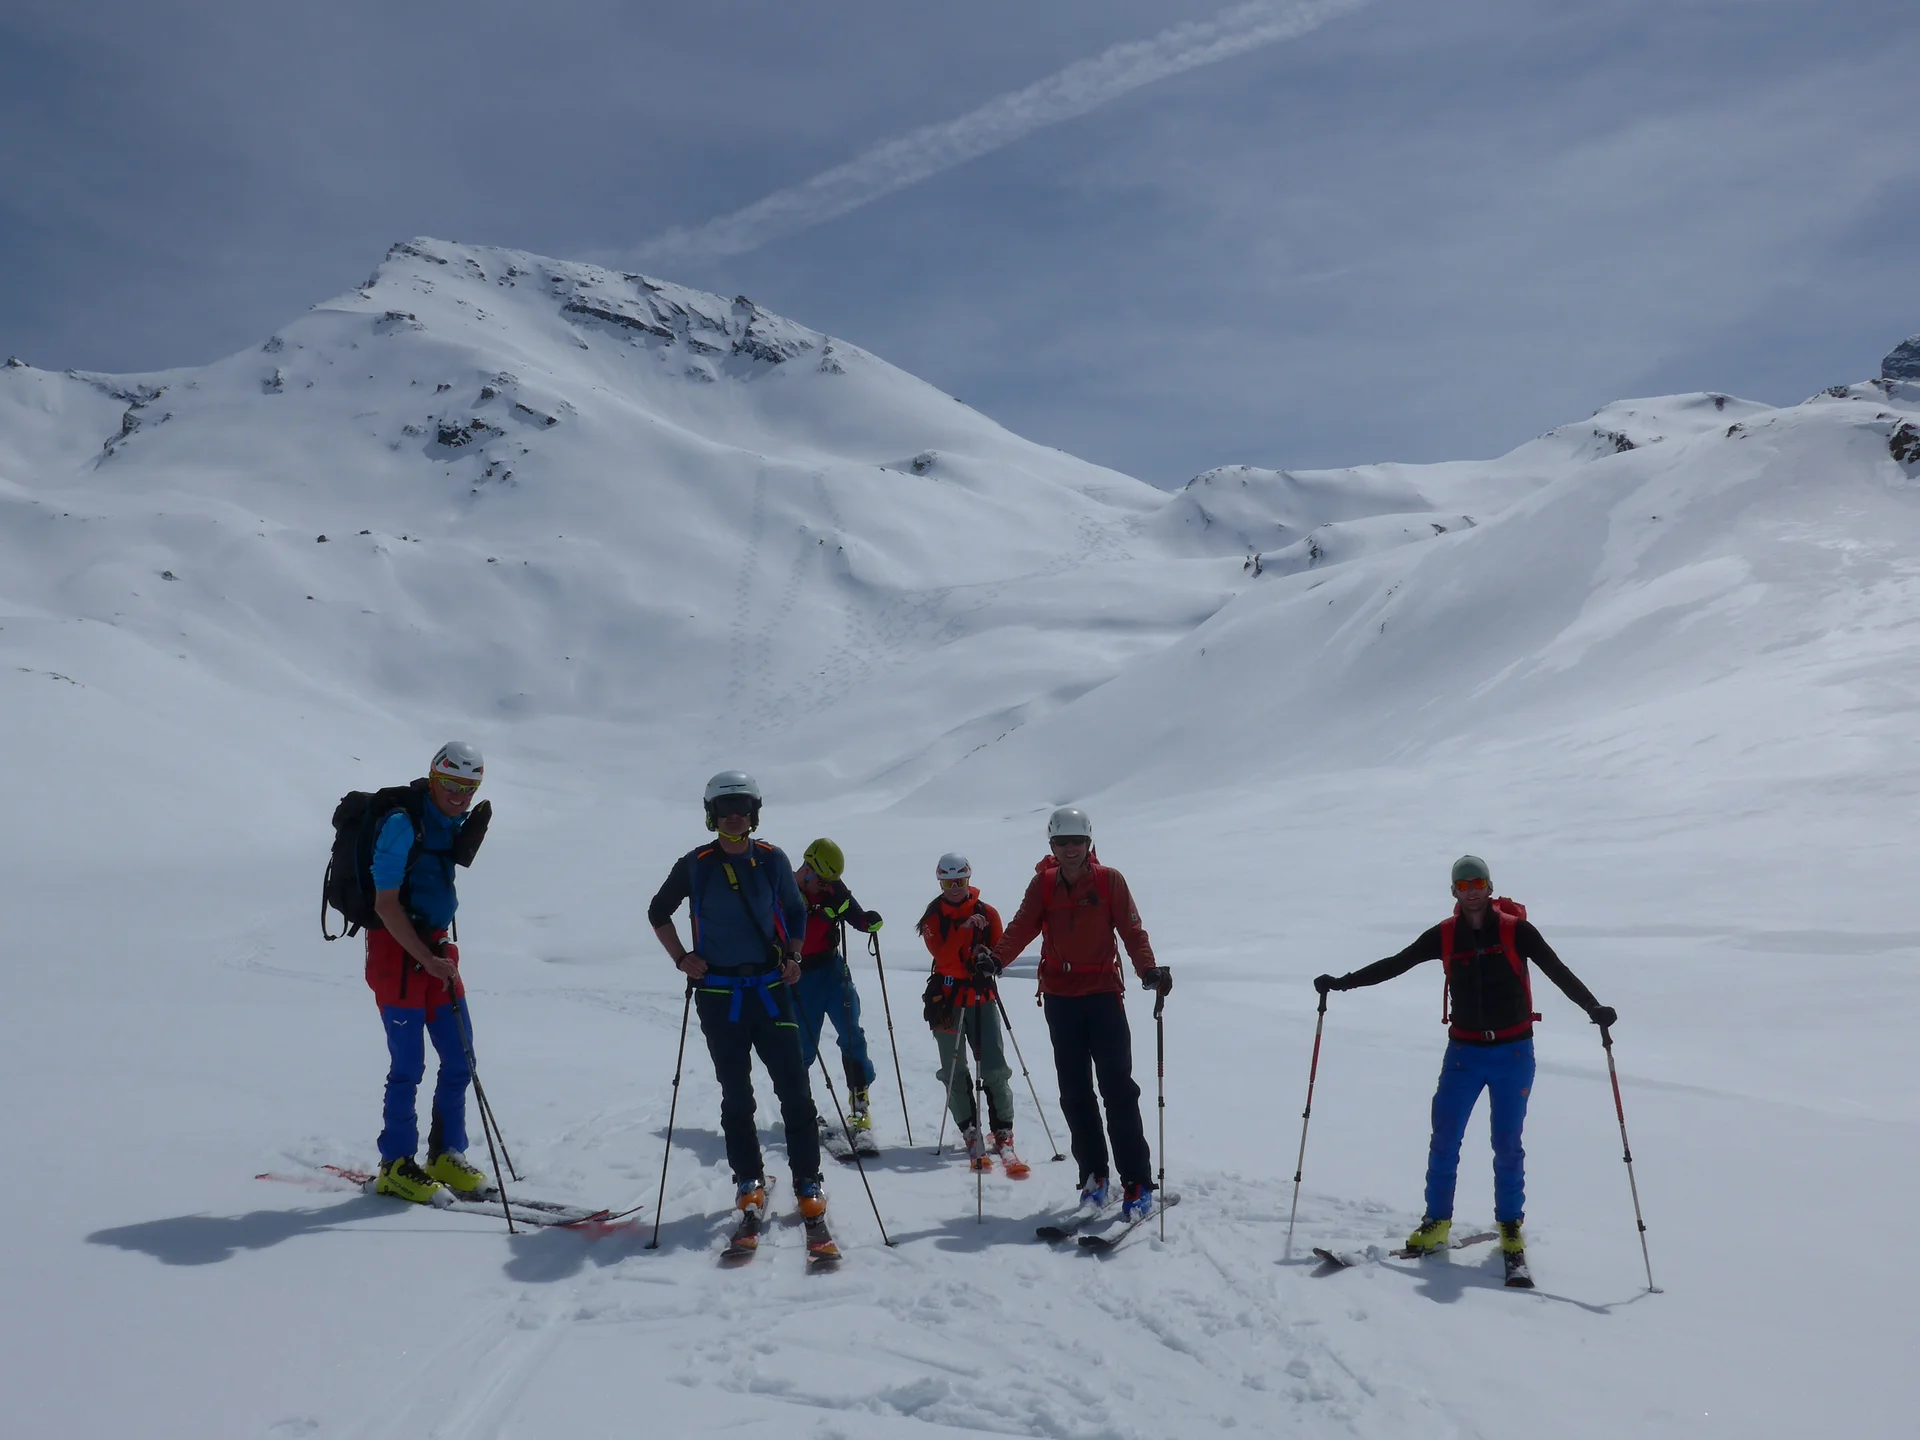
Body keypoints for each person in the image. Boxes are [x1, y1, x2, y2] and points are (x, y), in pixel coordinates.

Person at [1314, 854, 1618, 1276]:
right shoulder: (1444, 935)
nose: (1471, 891)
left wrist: (1593, 1007)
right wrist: (1342, 983)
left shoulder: (1517, 931)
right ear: (1453, 891)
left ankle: (1510, 1226)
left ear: (1489, 887)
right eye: (1463, 885)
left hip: (1514, 1053)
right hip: (1463, 1054)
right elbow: (1395, 964)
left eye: (1477, 884)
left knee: (1506, 1143)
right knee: (1445, 1137)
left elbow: (1558, 971)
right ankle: (1436, 1223)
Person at [648, 772, 827, 1223]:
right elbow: (658, 911)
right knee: (736, 1093)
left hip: (770, 989)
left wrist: (794, 955)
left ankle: (808, 1178)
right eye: (725, 809)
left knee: (795, 1089)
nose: (733, 817)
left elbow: (795, 910)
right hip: (719, 994)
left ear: (753, 813)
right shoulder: (695, 864)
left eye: (741, 808)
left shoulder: (771, 859)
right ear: (711, 815)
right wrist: (681, 958)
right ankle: (748, 1178)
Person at [990, 808, 1170, 1220]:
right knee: (1075, 1093)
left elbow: (1132, 930)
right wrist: (997, 959)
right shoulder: (1043, 884)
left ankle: (1137, 1182)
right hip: (1060, 998)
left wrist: (1147, 970)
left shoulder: (1109, 881)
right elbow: (1022, 926)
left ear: (1089, 843)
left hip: (1103, 995)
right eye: (1062, 842)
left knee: (1118, 1090)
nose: (1070, 849)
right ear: (1051, 845)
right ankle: (1093, 1178)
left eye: (1077, 841)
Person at [365, 741, 494, 1203]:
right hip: (396, 953)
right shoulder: (403, 824)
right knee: (408, 1066)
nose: (460, 796)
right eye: (452, 785)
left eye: (469, 788)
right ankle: (396, 1165)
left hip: (436, 950)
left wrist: (435, 953)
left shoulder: (451, 823)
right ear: (434, 778)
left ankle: (445, 1154)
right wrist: (425, 953)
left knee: (460, 1057)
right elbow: (385, 905)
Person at [917, 852, 1021, 1170]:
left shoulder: (987, 913)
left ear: (968, 878)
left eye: (959, 881)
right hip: (947, 999)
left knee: (994, 1067)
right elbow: (943, 958)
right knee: (953, 1069)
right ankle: (969, 1129)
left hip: (981, 996)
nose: (955, 888)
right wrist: (963, 931)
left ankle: (1002, 1130)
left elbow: (1002, 952)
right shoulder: (933, 918)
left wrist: (987, 955)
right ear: (940, 883)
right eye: (948, 883)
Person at [791, 838, 886, 1152]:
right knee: (803, 1047)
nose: (825, 886)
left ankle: (860, 1107)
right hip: (798, 977)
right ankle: (802, 1108)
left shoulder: (833, 888)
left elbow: (854, 915)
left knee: (851, 1033)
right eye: (821, 881)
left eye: (829, 882)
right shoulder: (783, 891)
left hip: (832, 971)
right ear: (807, 869)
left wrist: (868, 922)